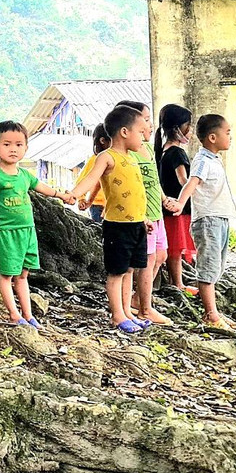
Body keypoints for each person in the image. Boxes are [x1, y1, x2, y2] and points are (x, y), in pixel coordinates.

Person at [0, 121, 75, 328]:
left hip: (28, 232)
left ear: (25, 148)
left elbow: (42, 187)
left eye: (18, 144)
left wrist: (61, 195)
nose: (13, 149)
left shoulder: (24, 175)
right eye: (6, 144)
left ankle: (28, 314)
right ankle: (14, 314)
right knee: (7, 275)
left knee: (23, 274)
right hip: (8, 233)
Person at [74, 105, 151, 334]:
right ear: (125, 132)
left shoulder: (133, 158)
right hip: (117, 225)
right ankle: (117, 316)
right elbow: (92, 179)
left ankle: (127, 312)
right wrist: (75, 194)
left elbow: (137, 192)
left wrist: (143, 217)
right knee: (116, 272)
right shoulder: (107, 157)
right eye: (141, 131)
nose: (144, 137)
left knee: (129, 270)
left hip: (136, 223)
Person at [168, 114, 236, 328]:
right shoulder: (202, 160)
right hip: (208, 221)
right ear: (212, 137)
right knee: (208, 267)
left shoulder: (214, 160)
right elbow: (192, 181)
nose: (230, 137)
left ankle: (214, 311)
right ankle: (210, 315)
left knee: (216, 266)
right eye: (227, 133)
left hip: (221, 219)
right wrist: (180, 204)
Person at [119, 99, 168, 326]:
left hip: (156, 211)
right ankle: (145, 309)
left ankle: (139, 299)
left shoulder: (148, 148)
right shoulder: (129, 154)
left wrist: (165, 199)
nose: (150, 127)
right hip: (141, 213)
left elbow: (153, 180)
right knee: (146, 260)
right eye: (145, 121)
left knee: (160, 256)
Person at [155, 104, 197, 294]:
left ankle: (175, 281)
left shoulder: (162, 149)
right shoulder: (178, 153)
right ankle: (178, 283)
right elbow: (183, 181)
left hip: (166, 205)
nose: (191, 131)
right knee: (176, 249)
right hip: (178, 207)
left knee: (172, 248)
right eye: (188, 126)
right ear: (178, 128)